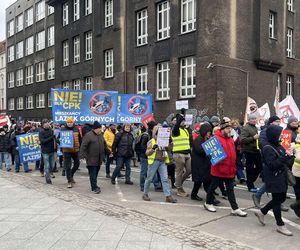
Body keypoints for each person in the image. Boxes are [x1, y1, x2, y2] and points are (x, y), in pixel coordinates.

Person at [254, 125, 294, 236]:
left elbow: (284, 161)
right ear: (274, 135)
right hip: (274, 177)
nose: (282, 135)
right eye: (280, 133)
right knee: (277, 200)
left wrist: (290, 155)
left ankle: (262, 212)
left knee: (281, 198)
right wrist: (285, 155)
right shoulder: (267, 148)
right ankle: (280, 225)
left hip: (282, 177)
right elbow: (272, 165)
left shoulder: (279, 146)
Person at [204, 118, 247, 217]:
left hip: (229, 169)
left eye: (230, 129)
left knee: (230, 190)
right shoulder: (215, 139)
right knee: (213, 187)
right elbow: (210, 155)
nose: (229, 130)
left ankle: (235, 208)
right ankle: (208, 203)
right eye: (227, 129)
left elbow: (233, 153)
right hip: (218, 170)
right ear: (222, 129)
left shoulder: (231, 139)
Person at [142, 125, 177, 203]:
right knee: (149, 178)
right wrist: (153, 148)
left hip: (162, 161)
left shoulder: (164, 140)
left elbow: (169, 149)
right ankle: (145, 194)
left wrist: (170, 141)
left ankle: (168, 196)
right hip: (154, 161)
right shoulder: (151, 141)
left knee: (165, 179)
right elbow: (147, 153)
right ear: (155, 133)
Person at [191, 122, 215, 202]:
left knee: (201, 181)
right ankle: (211, 198)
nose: (209, 134)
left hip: (204, 164)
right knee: (202, 181)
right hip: (198, 164)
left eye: (210, 133)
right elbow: (199, 150)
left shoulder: (206, 139)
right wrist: (209, 148)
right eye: (208, 133)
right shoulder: (198, 140)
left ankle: (194, 194)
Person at [80, 121, 106, 194]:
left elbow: (104, 144)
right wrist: (81, 156)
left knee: (96, 173)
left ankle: (95, 185)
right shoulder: (88, 135)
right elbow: (83, 146)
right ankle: (94, 188)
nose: (101, 130)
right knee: (93, 174)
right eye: (99, 129)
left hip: (99, 158)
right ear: (95, 129)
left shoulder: (100, 135)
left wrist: (109, 152)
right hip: (91, 158)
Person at [172, 109, 192, 197]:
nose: (184, 122)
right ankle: (179, 189)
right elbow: (177, 123)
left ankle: (178, 183)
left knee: (190, 170)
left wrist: (184, 115)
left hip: (187, 153)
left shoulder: (185, 130)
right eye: (182, 121)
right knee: (179, 172)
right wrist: (181, 115)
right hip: (179, 154)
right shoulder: (175, 130)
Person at [241, 113, 262, 192]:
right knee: (249, 169)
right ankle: (250, 186)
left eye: (255, 119)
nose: (254, 120)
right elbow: (243, 140)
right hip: (249, 151)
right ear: (249, 120)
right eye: (252, 119)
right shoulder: (246, 128)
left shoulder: (256, 127)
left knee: (260, 167)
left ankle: (250, 181)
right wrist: (253, 138)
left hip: (256, 150)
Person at [62, 117, 81, 188]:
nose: (69, 123)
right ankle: (69, 181)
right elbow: (58, 139)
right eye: (68, 122)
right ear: (66, 123)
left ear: (73, 122)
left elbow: (80, 139)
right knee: (68, 166)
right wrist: (60, 140)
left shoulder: (76, 129)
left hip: (75, 150)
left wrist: (80, 148)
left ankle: (71, 175)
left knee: (77, 164)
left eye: (71, 122)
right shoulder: (63, 129)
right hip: (67, 150)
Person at [39, 119, 56, 184]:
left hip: (52, 150)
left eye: (47, 123)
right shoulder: (41, 132)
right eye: (45, 123)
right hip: (45, 151)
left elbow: (54, 139)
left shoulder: (51, 131)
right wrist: (51, 137)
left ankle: (49, 173)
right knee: (47, 166)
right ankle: (48, 179)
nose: (47, 124)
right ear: (43, 125)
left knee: (52, 165)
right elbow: (43, 141)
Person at [230, 119, 246, 184]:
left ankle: (240, 177)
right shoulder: (231, 131)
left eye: (236, 124)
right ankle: (238, 177)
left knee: (238, 163)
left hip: (238, 149)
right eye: (234, 125)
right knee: (234, 163)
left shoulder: (240, 130)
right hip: (232, 149)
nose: (235, 126)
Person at [290, 134, 300, 218]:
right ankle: (296, 207)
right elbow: (298, 158)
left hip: (297, 171)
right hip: (297, 172)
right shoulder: (297, 146)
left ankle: (296, 206)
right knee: (298, 192)